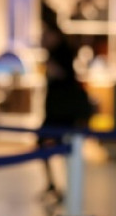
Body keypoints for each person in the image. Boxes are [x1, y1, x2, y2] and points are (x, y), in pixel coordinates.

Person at [40, 21, 93, 201]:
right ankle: (55, 184)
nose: (44, 39)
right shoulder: (55, 53)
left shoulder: (62, 54)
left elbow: (64, 79)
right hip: (55, 112)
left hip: (62, 114)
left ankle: (64, 185)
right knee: (50, 146)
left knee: (64, 149)